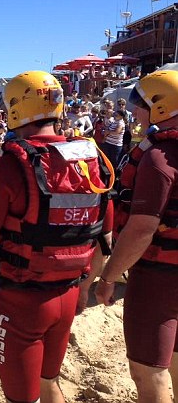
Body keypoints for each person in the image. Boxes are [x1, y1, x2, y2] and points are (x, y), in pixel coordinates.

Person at [0, 70, 114, 403]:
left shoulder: (9, 167)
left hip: (22, 303)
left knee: (22, 398)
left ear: (14, 109)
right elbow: (102, 240)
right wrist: (84, 288)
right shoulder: (90, 160)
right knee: (49, 383)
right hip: (67, 295)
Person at [95, 70, 178, 402]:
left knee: (148, 370)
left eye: (140, 105)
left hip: (159, 277)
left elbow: (142, 228)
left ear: (160, 105)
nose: (134, 113)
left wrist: (108, 277)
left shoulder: (159, 157)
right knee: (174, 359)